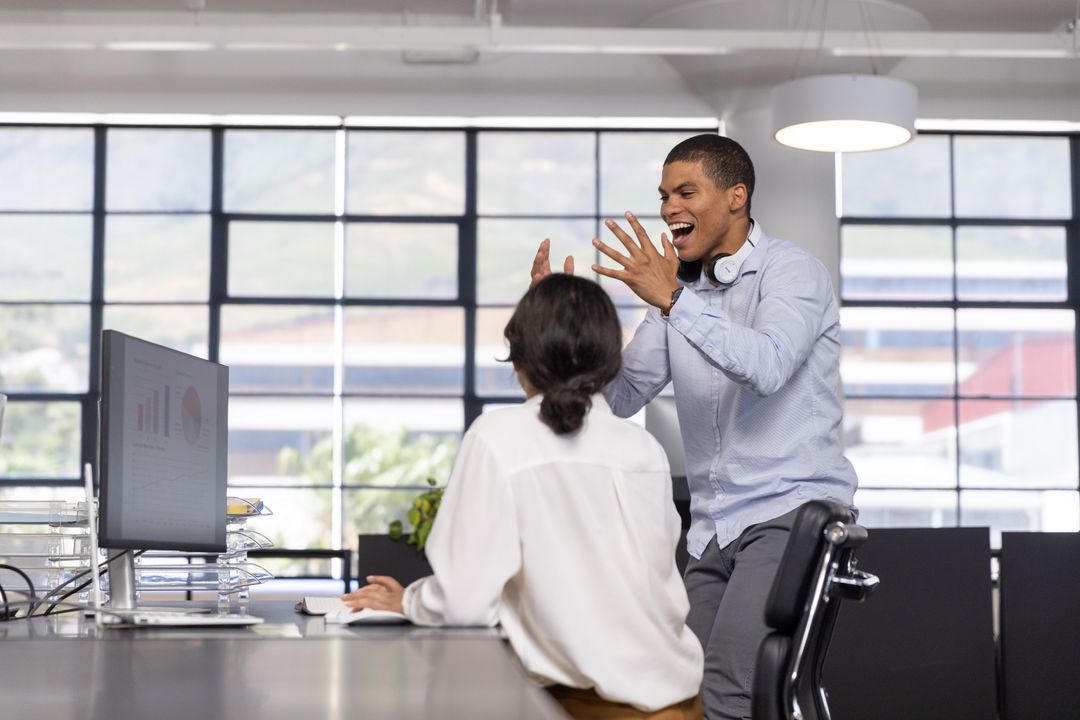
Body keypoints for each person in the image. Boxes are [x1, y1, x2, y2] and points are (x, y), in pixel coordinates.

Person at [531, 134, 858, 720]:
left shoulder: (791, 272)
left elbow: (767, 365)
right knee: (682, 694)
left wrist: (672, 300)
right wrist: (557, 339)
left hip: (789, 512)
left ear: (737, 196)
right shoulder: (680, 297)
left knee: (726, 696)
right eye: (663, 195)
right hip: (713, 526)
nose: (668, 208)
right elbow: (622, 395)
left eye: (686, 191)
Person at [341, 273, 705, 720]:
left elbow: (464, 603)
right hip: (684, 705)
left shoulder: (499, 437)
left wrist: (408, 600)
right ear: (609, 360)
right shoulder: (643, 448)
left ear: (520, 358)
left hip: (592, 708)